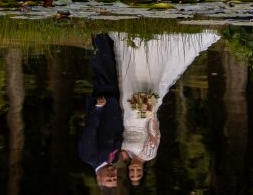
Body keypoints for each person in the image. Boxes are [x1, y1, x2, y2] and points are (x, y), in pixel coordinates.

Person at [108, 31, 221, 183]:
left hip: (127, 116)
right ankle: (149, 48)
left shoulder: (125, 154)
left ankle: (134, 43)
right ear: (143, 170)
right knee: (148, 80)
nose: (134, 170)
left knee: (129, 78)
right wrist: (151, 113)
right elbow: (155, 134)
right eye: (138, 172)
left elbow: (117, 133)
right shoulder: (148, 155)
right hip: (143, 116)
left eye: (132, 173)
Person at [78, 34, 125, 190]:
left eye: (108, 179)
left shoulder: (89, 157)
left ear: (99, 179)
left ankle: (97, 33)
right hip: (115, 103)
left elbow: (90, 130)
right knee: (111, 65)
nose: (112, 176)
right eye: (114, 179)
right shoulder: (115, 157)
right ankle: (106, 35)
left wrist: (98, 108)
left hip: (103, 102)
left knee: (101, 66)